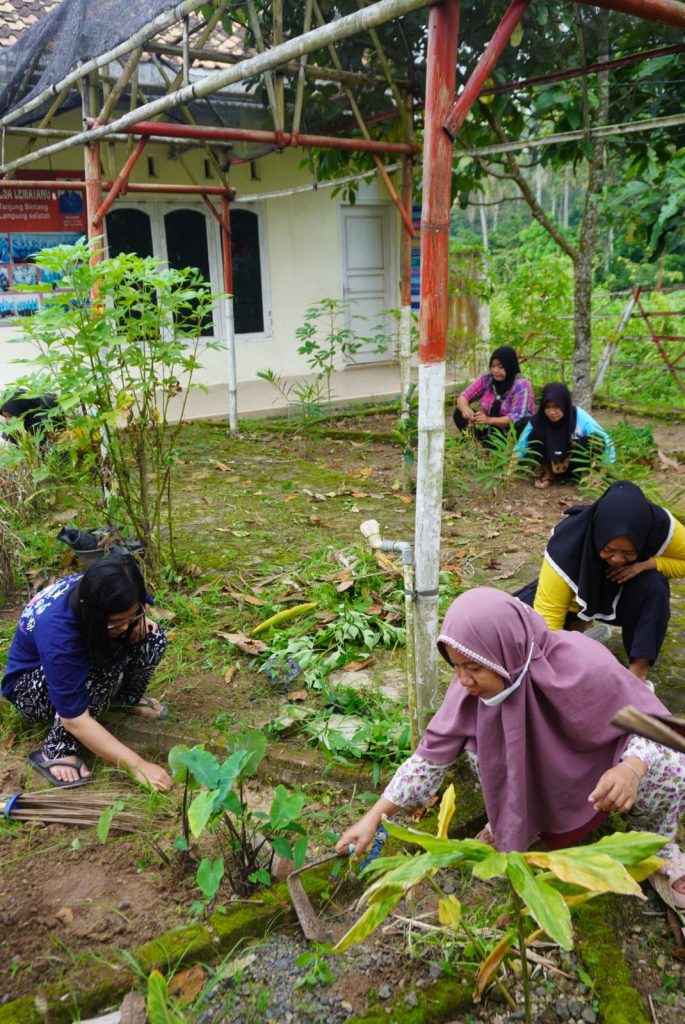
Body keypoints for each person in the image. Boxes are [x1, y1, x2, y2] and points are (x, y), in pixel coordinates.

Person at [336, 588, 685, 907]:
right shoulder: (469, 690)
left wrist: (630, 769)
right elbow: (428, 760)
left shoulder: (582, 663)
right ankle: (521, 821)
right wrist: (374, 818)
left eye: (474, 667)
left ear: (507, 654)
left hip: (598, 764)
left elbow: (656, 725)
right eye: (456, 666)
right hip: (545, 770)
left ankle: (656, 845)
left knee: (670, 765)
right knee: (478, 747)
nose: (464, 680)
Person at [1, 554, 173, 790]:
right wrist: (138, 766)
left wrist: (137, 619)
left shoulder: (112, 586)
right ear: (93, 612)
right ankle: (57, 750)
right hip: (30, 689)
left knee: (152, 636)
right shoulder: (59, 634)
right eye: (116, 622)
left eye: (130, 616)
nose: (125, 626)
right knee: (97, 670)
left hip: (79, 652)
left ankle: (124, 699)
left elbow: (136, 609)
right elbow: (75, 721)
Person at [516, 480, 685, 682]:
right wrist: (551, 671)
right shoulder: (567, 545)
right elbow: (548, 616)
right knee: (517, 622)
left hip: (625, 597)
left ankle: (638, 672)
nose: (618, 559)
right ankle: (576, 636)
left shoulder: (661, 527)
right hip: (577, 600)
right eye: (609, 550)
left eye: (629, 552)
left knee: (655, 585)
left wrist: (649, 563)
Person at [513, 382, 615, 488]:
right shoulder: (539, 419)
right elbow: (522, 444)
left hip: (575, 462)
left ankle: (585, 476)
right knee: (533, 435)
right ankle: (549, 474)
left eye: (556, 407)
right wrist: (509, 470)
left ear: (564, 404)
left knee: (595, 439)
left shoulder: (579, 416)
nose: (552, 412)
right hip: (552, 462)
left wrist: (604, 470)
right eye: (547, 407)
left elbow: (604, 440)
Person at [453, 345, 535, 444]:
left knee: (520, 426)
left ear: (510, 366)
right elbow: (463, 397)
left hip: (510, 434)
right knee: (459, 412)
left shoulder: (521, 385)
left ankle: (500, 446)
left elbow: (517, 418)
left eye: (501, 367)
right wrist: (465, 409)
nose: (495, 370)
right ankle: (477, 441)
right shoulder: (488, 379)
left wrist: (488, 420)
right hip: (490, 428)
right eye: (493, 366)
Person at [0, 389, 65, 447]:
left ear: (19, 409)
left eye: (10, 416)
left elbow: (54, 403)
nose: (7, 420)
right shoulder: (15, 427)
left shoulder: (43, 419)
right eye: (5, 416)